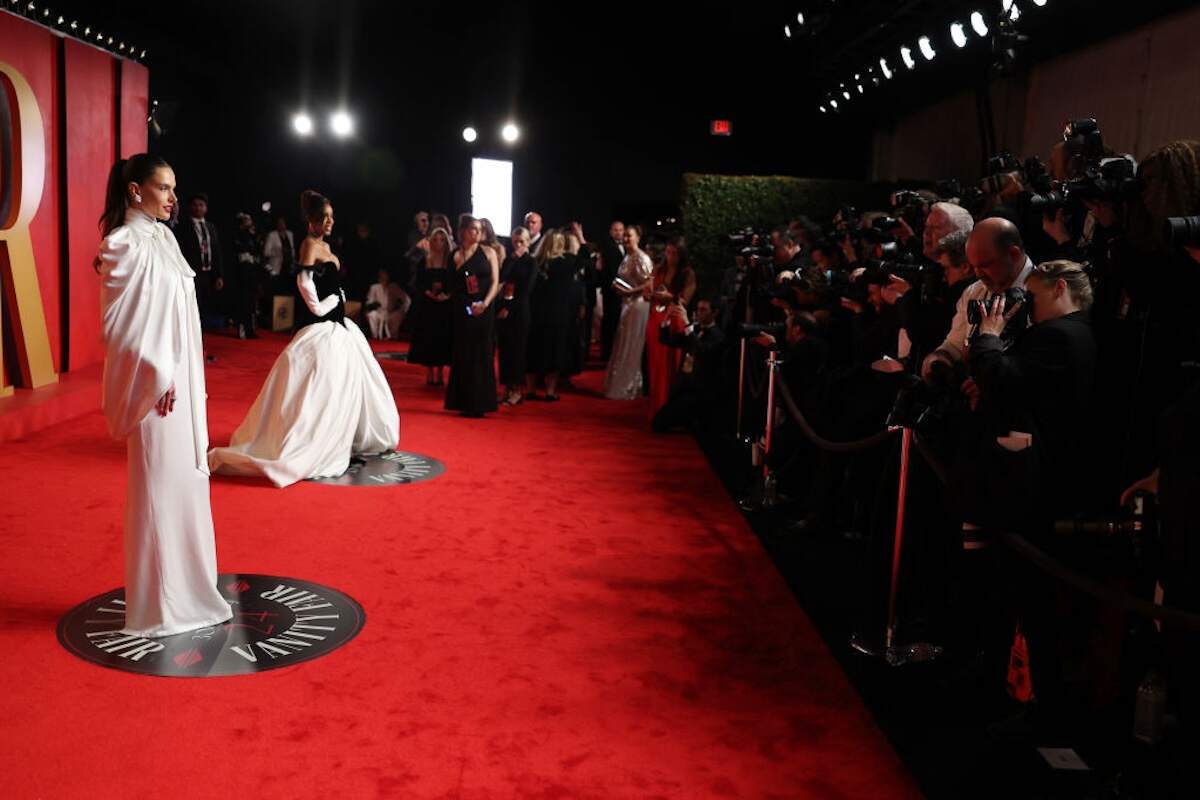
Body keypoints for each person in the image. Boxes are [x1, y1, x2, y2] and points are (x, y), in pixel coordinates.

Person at [97, 153, 232, 637]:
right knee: (157, 487)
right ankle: (158, 607)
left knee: (185, 487)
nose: (174, 198)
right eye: (164, 188)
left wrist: (183, 375)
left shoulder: (165, 237)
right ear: (136, 191)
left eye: (175, 188)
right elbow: (120, 327)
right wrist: (159, 374)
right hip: (155, 387)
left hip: (181, 383)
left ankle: (190, 594)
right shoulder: (123, 243)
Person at [207, 190, 399, 487]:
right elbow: (304, 281)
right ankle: (312, 439)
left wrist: (336, 301)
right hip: (324, 328)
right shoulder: (310, 244)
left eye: (332, 217)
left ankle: (340, 434)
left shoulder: (323, 244)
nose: (331, 222)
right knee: (322, 388)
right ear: (312, 220)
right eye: (325, 217)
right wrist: (324, 306)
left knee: (340, 387)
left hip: (339, 328)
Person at [445, 215, 500, 417]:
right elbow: (452, 285)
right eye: (473, 229)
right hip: (462, 309)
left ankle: (481, 403)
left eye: (479, 229)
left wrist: (485, 303)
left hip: (484, 309)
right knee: (463, 353)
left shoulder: (489, 252)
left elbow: (495, 281)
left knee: (482, 354)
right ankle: (463, 401)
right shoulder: (455, 256)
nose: (476, 233)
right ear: (464, 232)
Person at [651, 298, 726, 434]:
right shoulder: (694, 330)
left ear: (715, 313)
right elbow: (666, 340)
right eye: (697, 309)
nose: (698, 313)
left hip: (700, 393)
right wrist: (667, 317)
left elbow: (700, 349)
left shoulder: (718, 336)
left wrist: (687, 324)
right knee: (658, 423)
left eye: (703, 310)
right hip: (683, 387)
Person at [645, 238, 697, 416]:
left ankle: (670, 407)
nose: (670, 257)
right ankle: (656, 404)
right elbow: (647, 294)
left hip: (675, 318)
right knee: (656, 364)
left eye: (674, 253)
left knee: (673, 364)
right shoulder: (658, 269)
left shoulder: (687, 273)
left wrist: (670, 297)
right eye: (667, 252)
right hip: (656, 319)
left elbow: (685, 300)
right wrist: (648, 292)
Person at [603, 224, 654, 399]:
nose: (625, 239)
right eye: (624, 236)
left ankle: (631, 385)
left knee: (633, 344)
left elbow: (649, 284)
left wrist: (629, 292)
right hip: (627, 304)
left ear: (638, 238)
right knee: (623, 343)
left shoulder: (642, 258)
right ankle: (622, 383)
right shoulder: (627, 257)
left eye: (629, 236)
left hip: (638, 304)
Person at [526, 230, 575, 401]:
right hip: (557, 313)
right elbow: (584, 259)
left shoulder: (534, 262)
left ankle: (531, 389)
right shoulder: (567, 262)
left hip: (536, 312)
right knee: (555, 350)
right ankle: (550, 391)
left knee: (533, 350)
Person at [408, 227, 455, 385]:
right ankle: (429, 371)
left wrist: (447, 295)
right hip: (428, 305)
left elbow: (456, 282)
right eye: (435, 239)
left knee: (442, 337)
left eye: (442, 240)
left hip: (445, 305)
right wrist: (428, 293)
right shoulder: (425, 260)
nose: (439, 243)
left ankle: (441, 372)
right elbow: (417, 283)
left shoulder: (451, 261)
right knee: (428, 337)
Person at [173, 192, 225, 330]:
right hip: (191, 273)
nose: (198, 208)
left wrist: (218, 275)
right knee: (191, 306)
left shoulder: (211, 227)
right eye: (195, 205)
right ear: (190, 207)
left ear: (206, 208)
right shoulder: (183, 227)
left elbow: (217, 252)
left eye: (201, 205)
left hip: (208, 273)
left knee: (204, 308)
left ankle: (200, 337)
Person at [497, 226, 536, 405]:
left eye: (522, 242)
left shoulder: (531, 262)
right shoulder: (508, 260)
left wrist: (510, 308)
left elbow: (527, 289)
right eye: (515, 242)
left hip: (520, 311)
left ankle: (518, 390)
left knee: (518, 352)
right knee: (505, 351)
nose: (518, 245)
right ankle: (507, 389)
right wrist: (512, 261)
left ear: (528, 242)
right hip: (504, 309)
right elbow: (502, 280)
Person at [230, 212, 262, 339]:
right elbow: (238, 252)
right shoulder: (237, 235)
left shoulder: (253, 235)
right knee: (243, 301)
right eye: (246, 220)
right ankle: (242, 329)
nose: (250, 222)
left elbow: (256, 251)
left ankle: (251, 329)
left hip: (252, 271)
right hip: (242, 272)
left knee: (252, 301)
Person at [597, 220, 626, 361]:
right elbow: (609, 272)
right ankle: (607, 353)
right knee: (610, 321)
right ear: (610, 232)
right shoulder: (607, 248)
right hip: (611, 290)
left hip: (625, 292)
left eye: (621, 230)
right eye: (615, 230)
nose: (619, 233)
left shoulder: (627, 248)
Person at [364, 267, 411, 340]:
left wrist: (402, 310)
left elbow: (407, 300)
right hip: (378, 312)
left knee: (397, 315)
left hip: (390, 313)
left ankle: (392, 336)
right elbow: (369, 301)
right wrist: (374, 304)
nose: (383, 276)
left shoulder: (393, 287)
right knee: (372, 315)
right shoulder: (374, 287)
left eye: (384, 274)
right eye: (381, 274)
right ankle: (375, 336)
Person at [262, 214, 296, 294]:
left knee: (287, 290)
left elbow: (292, 249)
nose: (281, 225)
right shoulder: (272, 235)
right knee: (277, 289)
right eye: (279, 223)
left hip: (289, 267)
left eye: (283, 223)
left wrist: (294, 261)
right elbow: (266, 252)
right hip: (277, 267)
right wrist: (278, 252)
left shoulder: (290, 234)